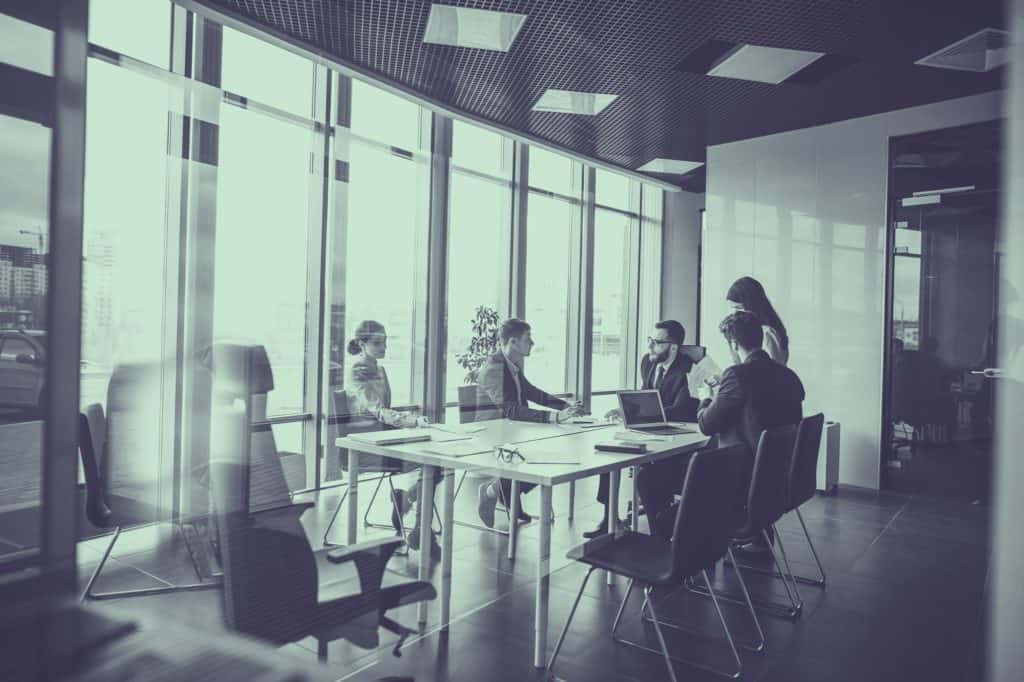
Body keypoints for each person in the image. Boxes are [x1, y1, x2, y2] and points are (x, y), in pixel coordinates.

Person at [697, 311, 804, 553]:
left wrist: (705, 399)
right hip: (777, 477)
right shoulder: (788, 375)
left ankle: (684, 550)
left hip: (743, 478)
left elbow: (707, 425)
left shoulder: (736, 375)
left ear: (733, 344)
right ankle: (757, 535)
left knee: (653, 479)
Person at [585, 320, 699, 539]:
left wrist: (639, 414)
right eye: (650, 340)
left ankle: (661, 531)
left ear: (673, 346)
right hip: (647, 428)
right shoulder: (648, 361)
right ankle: (611, 519)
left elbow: (680, 409)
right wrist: (624, 409)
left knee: (650, 476)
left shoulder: (688, 369)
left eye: (657, 343)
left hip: (677, 433)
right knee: (611, 452)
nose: (650, 347)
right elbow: (644, 396)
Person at [475, 318, 582, 528]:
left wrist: (565, 407)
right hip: (492, 433)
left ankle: (504, 492)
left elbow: (531, 392)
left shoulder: (511, 364)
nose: (532, 343)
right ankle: (493, 490)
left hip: (511, 430)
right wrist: (555, 417)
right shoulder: (494, 368)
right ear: (513, 342)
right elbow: (511, 410)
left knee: (546, 455)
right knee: (541, 458)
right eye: (528, 339)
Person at [346, 320, 439, 553]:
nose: (384, 347)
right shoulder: (358, 371)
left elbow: (384, 411)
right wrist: (411, 421)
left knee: (437, 462)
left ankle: (408, 502)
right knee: (434, 464)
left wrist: (410, 421)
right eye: (377, 343)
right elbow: (377, 410)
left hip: (385, 436)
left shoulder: (380, 369)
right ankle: (418, 526)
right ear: (362, 344)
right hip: (367, 443)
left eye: (385, 342)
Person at [726, 276, 790, 365]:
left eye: (738, 308)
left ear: (752, 305)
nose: (734, 314)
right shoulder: (749, 331)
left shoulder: (767, 333)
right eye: (732, 308)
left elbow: (774, 374)